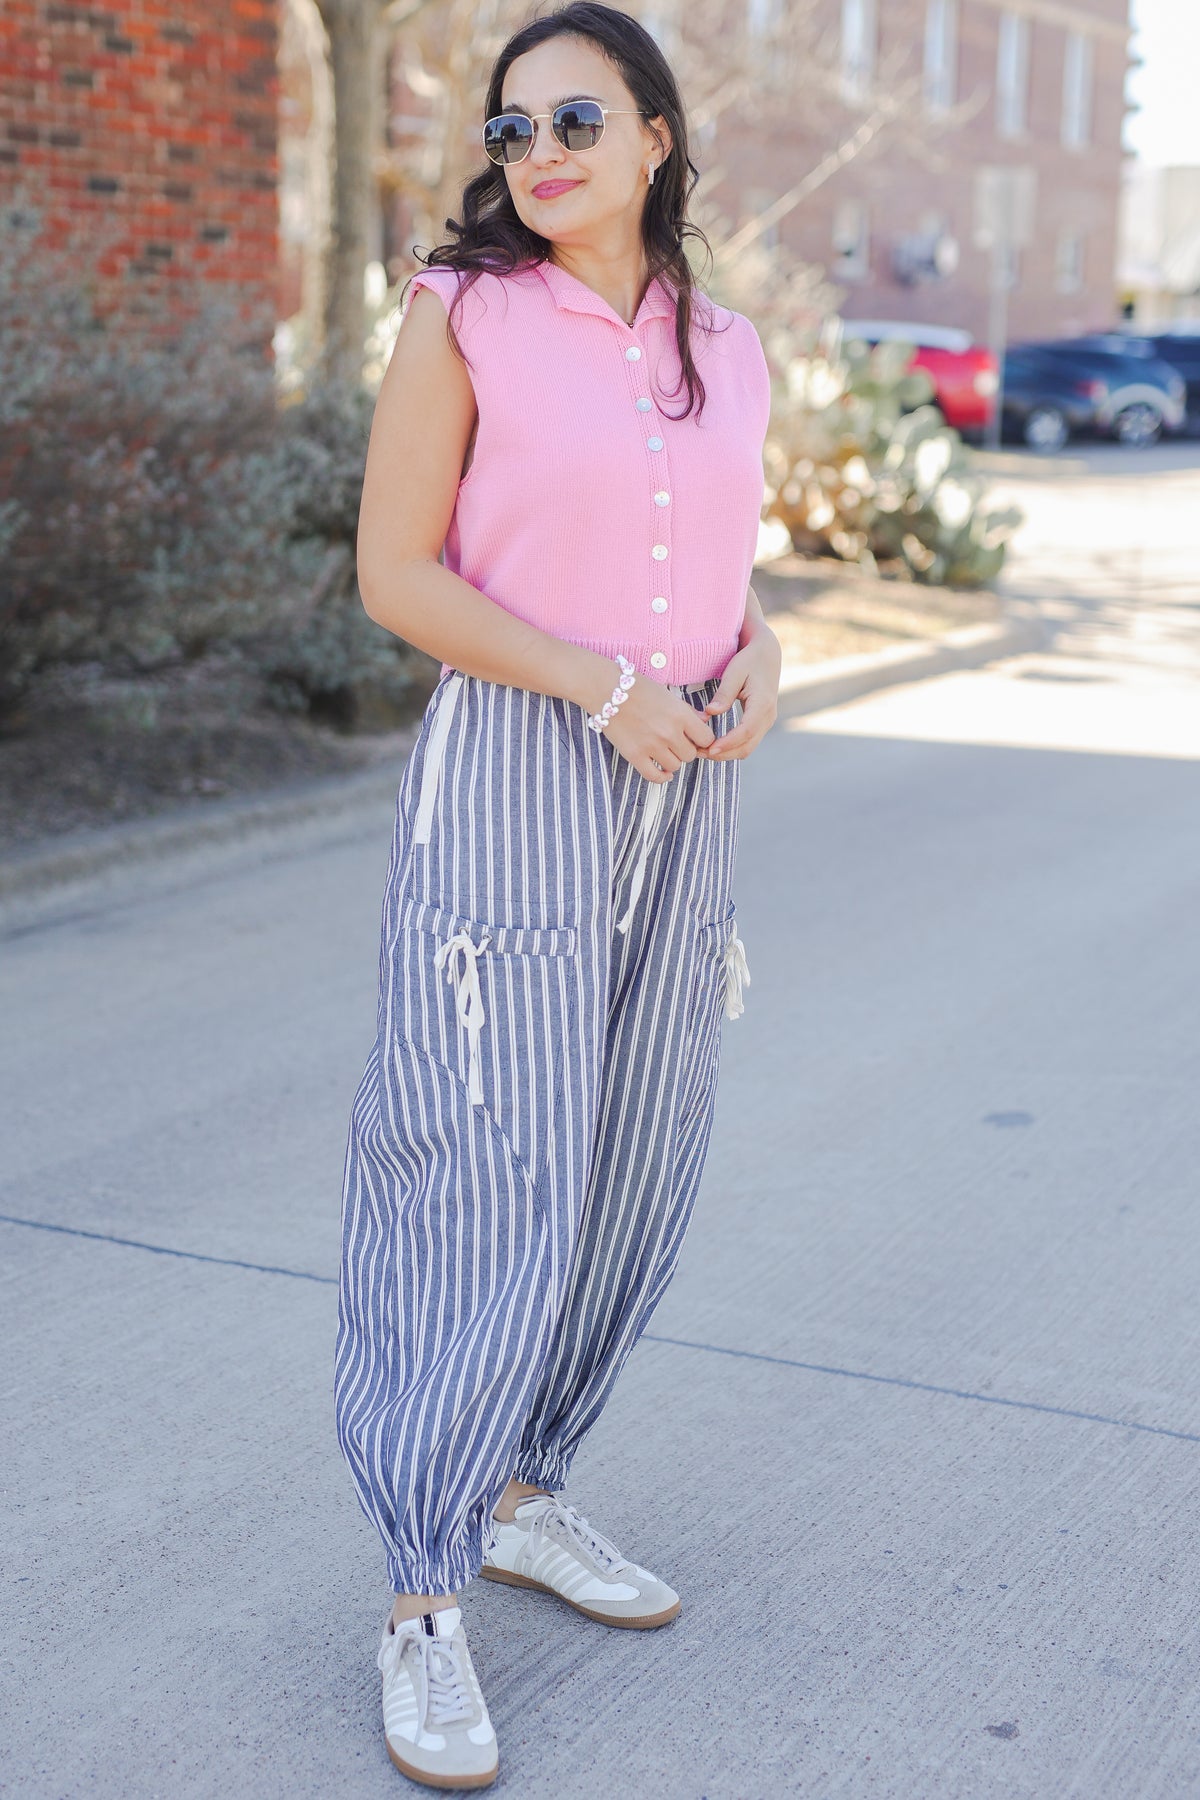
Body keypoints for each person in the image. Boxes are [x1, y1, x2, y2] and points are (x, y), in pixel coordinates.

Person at [333, 2, 781, 1786]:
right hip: (525, 763)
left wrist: (767, 655)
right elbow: (394, 573)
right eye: (512, 130)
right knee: (484, 1169)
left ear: (657, 134)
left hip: (687, 784)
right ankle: (422, 1588)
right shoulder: (464, 313)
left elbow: (727, 561)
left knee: (629, 1154)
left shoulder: (728, 344)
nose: (540, 155)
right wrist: (599, 689)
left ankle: (524, 1487)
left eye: (578, 119)